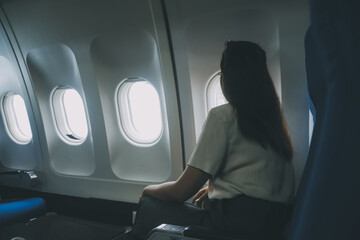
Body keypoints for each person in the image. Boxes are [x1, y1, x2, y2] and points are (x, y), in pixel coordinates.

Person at [131, 41, 295, 240]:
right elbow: (258, 179)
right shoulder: (273, 121)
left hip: (234, 225)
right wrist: (218, 188)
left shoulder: (223, 116)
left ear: (227, 79)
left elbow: (181, 191)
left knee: (149, 205)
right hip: (272, 224)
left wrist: (149, 190)